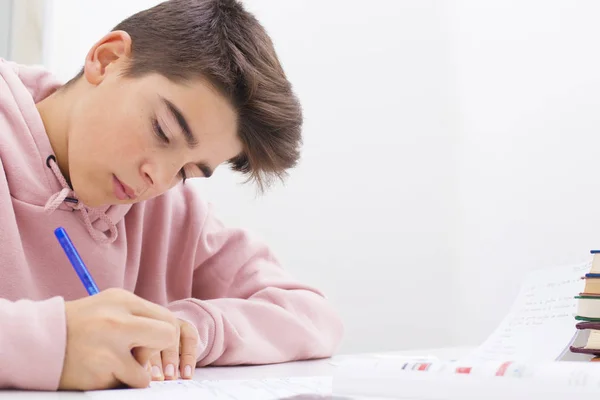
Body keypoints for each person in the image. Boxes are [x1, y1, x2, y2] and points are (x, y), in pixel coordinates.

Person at [0, 0, 343, 391]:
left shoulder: (167, 208)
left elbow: (312, 316)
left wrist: (186, 332)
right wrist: (53, 341)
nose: (157, 179)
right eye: (162, 131)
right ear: (107, 59)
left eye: (188, 171)